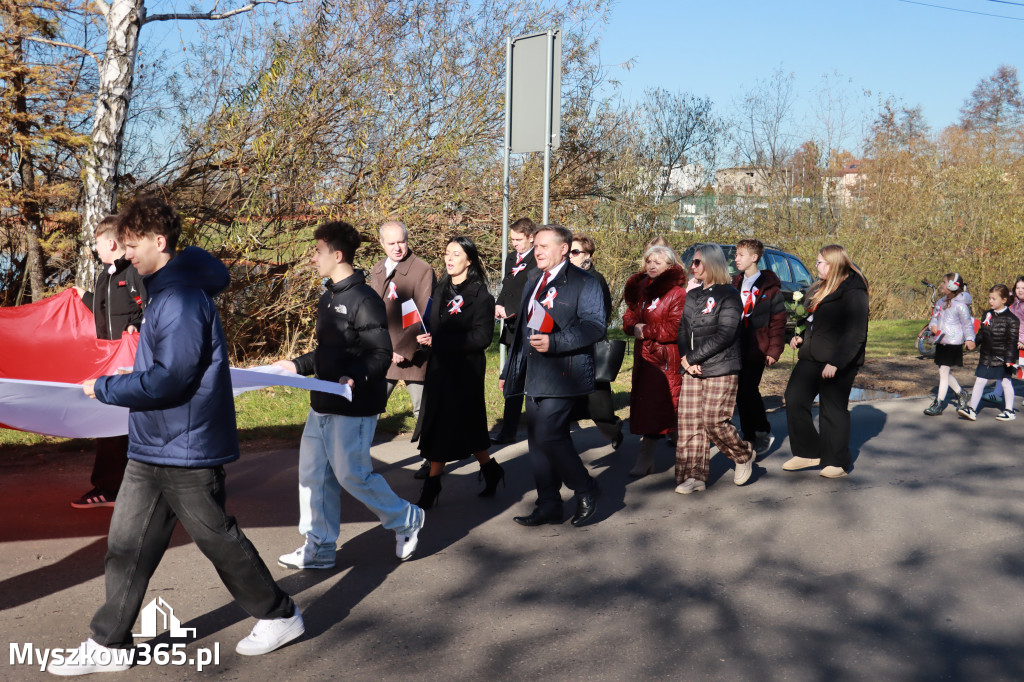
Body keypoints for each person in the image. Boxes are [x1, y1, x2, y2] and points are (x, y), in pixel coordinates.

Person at [51, 197, 302, 676]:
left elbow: (173, 379)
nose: (125, 255)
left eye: (131, 246)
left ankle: (280, 615)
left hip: (187, 447)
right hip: (152, 444)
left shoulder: (182, 298)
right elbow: (164, 369)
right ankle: (109, 643)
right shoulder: (164, 291)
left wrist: (105, 386)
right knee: (126, 544)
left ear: (159, 243)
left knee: (218, 541)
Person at [274, 221, 425, 570]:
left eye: (318, 251)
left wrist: (354, 377)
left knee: (352, 475)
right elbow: (325, 353)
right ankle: (320, 548)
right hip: (322, 401)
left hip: (353, 406)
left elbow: (380, 353)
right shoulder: (328, 296)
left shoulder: (364, 299)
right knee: (313, 476)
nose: (313, 258)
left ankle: (406, 519)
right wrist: (295, 366)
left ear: (337, 255)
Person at [501, 224, 605, 527]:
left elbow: (595, 326)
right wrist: (510, 371)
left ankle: (586, 488)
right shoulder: (533, 279)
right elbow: (522, 330)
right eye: (537, 245)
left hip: (564, 374)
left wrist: (555, 342)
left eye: (545, 246)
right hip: (533, 373)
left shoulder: (585, 282)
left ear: (563, 249)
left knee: (549, 435)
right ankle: (549, 504)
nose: (538, 251)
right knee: (536, 441)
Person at [412, 237, 503, 508]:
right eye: (447, 253)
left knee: (448, 426)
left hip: (465, 373)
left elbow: (481, 338)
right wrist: (422, 333)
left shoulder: (482, 297)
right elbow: (431, 324)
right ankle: (491, 470)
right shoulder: (440, 289)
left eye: (456, 254)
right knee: (464, 428)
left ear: (469, 260)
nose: (449, 259)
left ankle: (431, 487)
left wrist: (439, 341)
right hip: (439, 369)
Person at [70, 215, 146, 508]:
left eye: (97, 243)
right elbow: (103, 314)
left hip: (133, 364)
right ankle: (112, 486)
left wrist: (137, 327)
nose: (95, 249)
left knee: (125, 428)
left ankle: (114, 488)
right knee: (110, 427)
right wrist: (82, 297)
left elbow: (151, 310)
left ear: (111, 243)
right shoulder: (105, 275)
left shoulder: (135, 273)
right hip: (107, 363)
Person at [674, 244, 755, 494]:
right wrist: (687, 359)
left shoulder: (729, 295)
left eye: (697, 262)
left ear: (711, 263)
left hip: (721, 366)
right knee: (689, 423)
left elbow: (725, 334)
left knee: (713, 421)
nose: (692, 267)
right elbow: (682, 330)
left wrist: (695, 357)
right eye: (692, 263)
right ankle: (694, 476)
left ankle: (742, 455)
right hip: (693, 367)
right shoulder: (692, 295)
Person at [783, 244, 869, 478]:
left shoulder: (854, 291)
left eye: (820, 262)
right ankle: (808, 451)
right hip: (811, 355)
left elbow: (856, 333)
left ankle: (837, 461)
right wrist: (799, 337)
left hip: (838, 360)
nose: (817, 265)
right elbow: (812, 321)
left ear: (833, 264)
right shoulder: (820, 288)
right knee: (794, 398)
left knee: (833, 409)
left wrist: (837, 362)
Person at [368, 220, 435, 478]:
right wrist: (382, 347)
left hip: (413, 353)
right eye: (392, 243)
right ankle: (359, 461)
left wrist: (403, 350)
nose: (397, 247)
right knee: (370, 407)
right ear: (381, 243)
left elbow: (422, 313)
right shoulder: (377, 269)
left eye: (402, 241)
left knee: (422, 409)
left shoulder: (422, 269)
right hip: (383, 353)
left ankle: (430, 460)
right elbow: (372, 313)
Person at [621, 245, 687, 477]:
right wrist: (633, 326)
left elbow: (673, 329)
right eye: (649, 261)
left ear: (670, 266)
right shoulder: (643, 289)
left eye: (657, 262)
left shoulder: (677, 293)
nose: (651, 265)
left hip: (664, 360)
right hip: (644, 357)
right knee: (650, 409)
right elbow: (629, 316)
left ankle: (685, 460)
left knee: (669, 410)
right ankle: (655, 458)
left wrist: (645, 329)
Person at [731, 239, 786, 454]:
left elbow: (778, 322)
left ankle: (762, 430)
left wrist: (774, 350)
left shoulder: (770, 289)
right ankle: (748, 434)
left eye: (741, 255)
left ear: (754, 258)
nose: (736, 259)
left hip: (758, 348)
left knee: (748, 389)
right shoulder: (734, 284)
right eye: (736, 255)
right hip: (736, 347)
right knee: (739, 392)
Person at [569, 233, 623, 448]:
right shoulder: (566, 277)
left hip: (590, 348)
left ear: (588, 254)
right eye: (568, 251)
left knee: (598, 407)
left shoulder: (595, 278)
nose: (570, 256)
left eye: (575, 252)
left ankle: (613, 430)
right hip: (570, 347)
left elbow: (603, 313)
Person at [492, 217, 537, 444]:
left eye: (519, 240)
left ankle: (539, 430)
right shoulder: (512, 258)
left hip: (529, 328)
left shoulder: (537, 259)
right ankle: (508, 430)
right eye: (512, 240)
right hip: (512, 328)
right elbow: (507, 287)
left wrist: (512, 309)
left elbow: (533, 294)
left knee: (527, 379)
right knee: (513, 379)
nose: (515, 244)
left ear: (531, 237)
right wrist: (499, 306)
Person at [957, 284, 1019, 421]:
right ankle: (972, 410)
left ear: (1003, 300)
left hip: (1002, 358)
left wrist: (1010, 359)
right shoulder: (987, 314)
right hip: (986, 356)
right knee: (980, 381)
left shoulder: (1012, 320)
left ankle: (1009, 411)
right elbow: (981, 333)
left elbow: (1012, 341)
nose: (991, 301)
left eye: (994, 299)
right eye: (989, 298)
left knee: (1005, 382)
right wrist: (974, 342)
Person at [922, 273, 976, 416]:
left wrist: (970, 338)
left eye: (944, 282)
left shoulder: (961, 305)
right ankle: (961, 393)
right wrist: (933, 325)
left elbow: (967, 324)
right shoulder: (940, 302)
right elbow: (934, 317)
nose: (941, 284)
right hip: (941, 340)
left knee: (943, 371)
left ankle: (939, 403)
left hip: (953, 342)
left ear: (952, 286)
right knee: (943, 370)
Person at [981, 275, 1024, 406]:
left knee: (1022, 369)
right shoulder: (1015, 301)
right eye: (1018, 287)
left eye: (1023, 288)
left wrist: (1022, 340)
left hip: (1021, 341)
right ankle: (998, 394)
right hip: (1012, 340)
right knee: (1003, 366)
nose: (1020, 290)